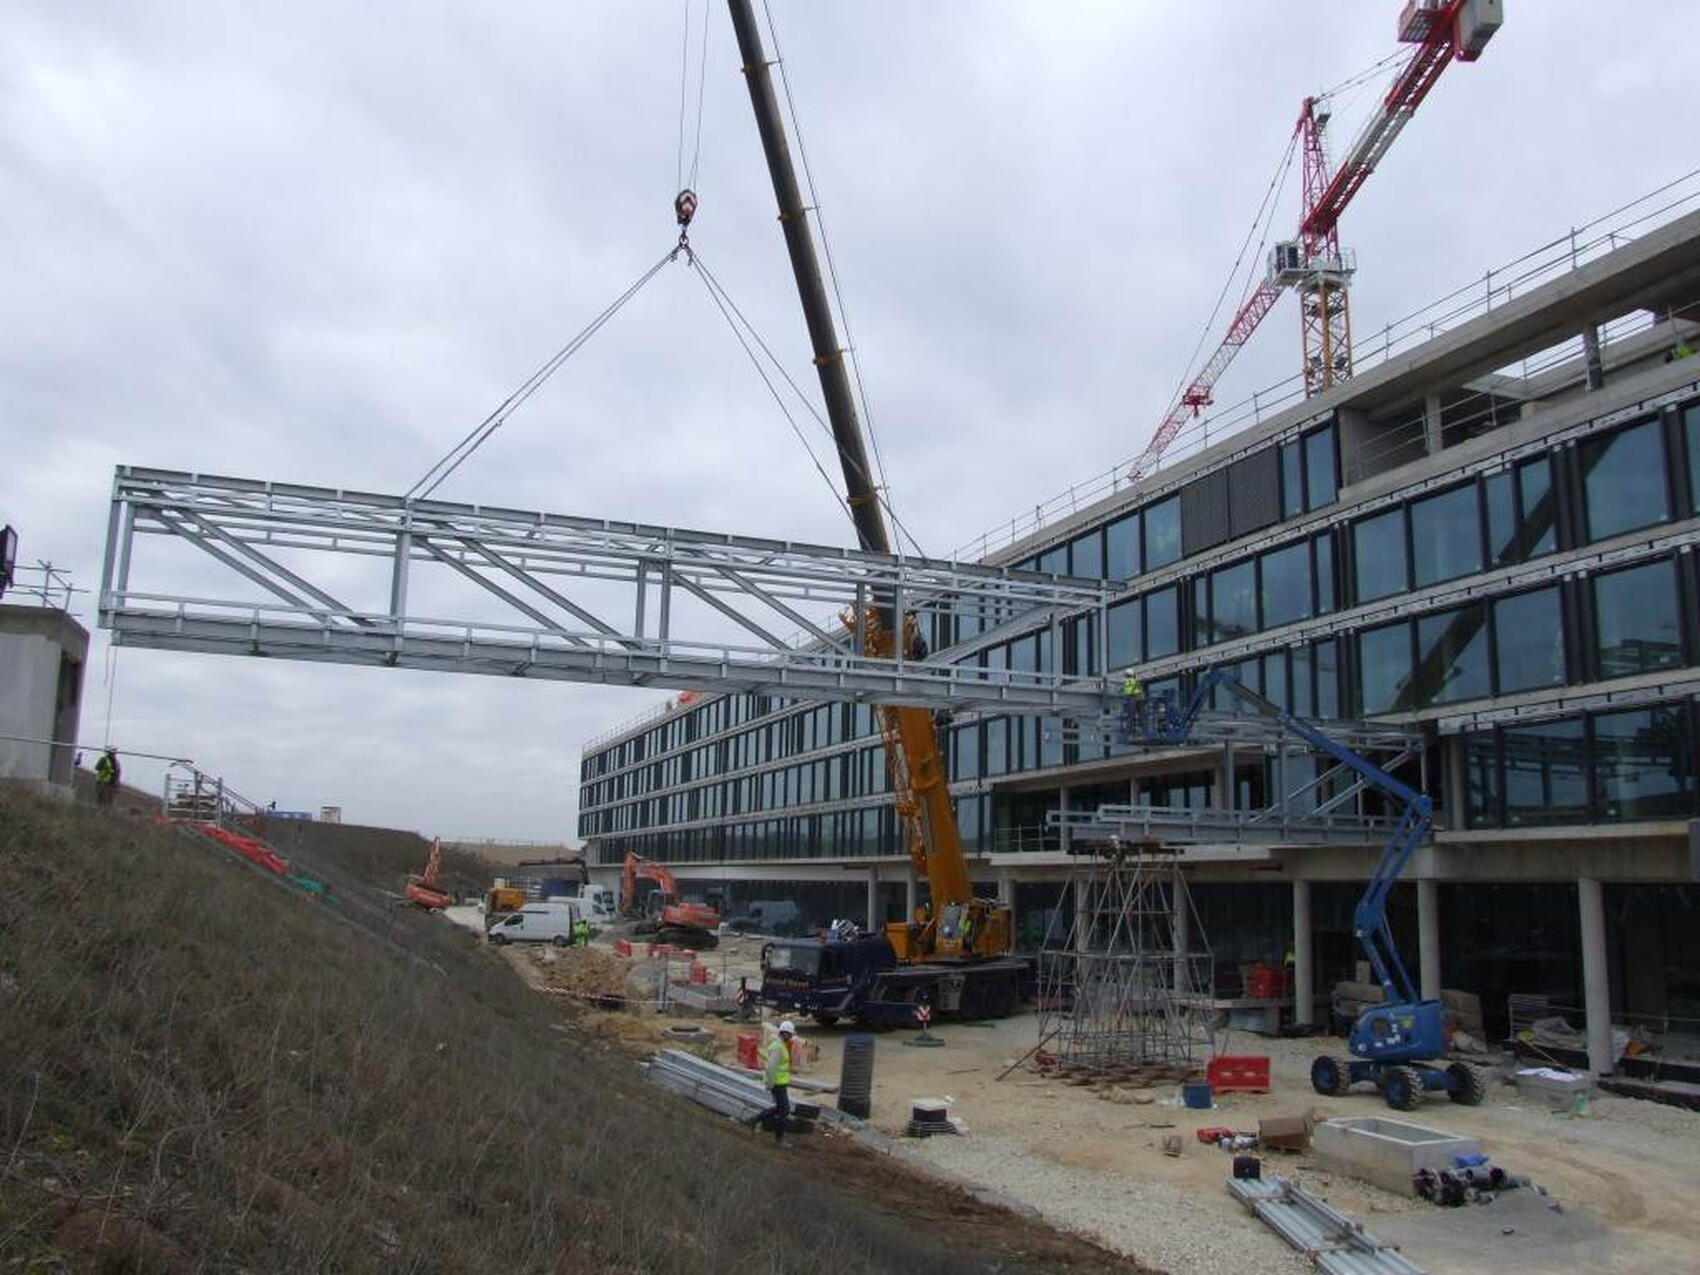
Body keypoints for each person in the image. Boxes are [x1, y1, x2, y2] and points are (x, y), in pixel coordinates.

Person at [751, 1020, 796, 1146]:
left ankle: (756, 1120)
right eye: (790, 1034)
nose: (791, 1037)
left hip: (779, 1082)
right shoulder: (778, 1047)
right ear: (785, 1033)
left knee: (780, 1108)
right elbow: (771, 1067)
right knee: (784, 1110)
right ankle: (779, 1139)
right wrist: (770, 1084)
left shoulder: (779, 1045)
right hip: (777, 1083)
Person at [1121, 671, 1145, 738]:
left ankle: (1130, 731)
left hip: (1134, 698)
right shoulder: (1136, 681)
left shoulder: (1129, 680)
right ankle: (1143, 730)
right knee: (1142, 716)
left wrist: (1123, 695)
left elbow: (1129, 692)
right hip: (1141, 699)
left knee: (1131, 715)